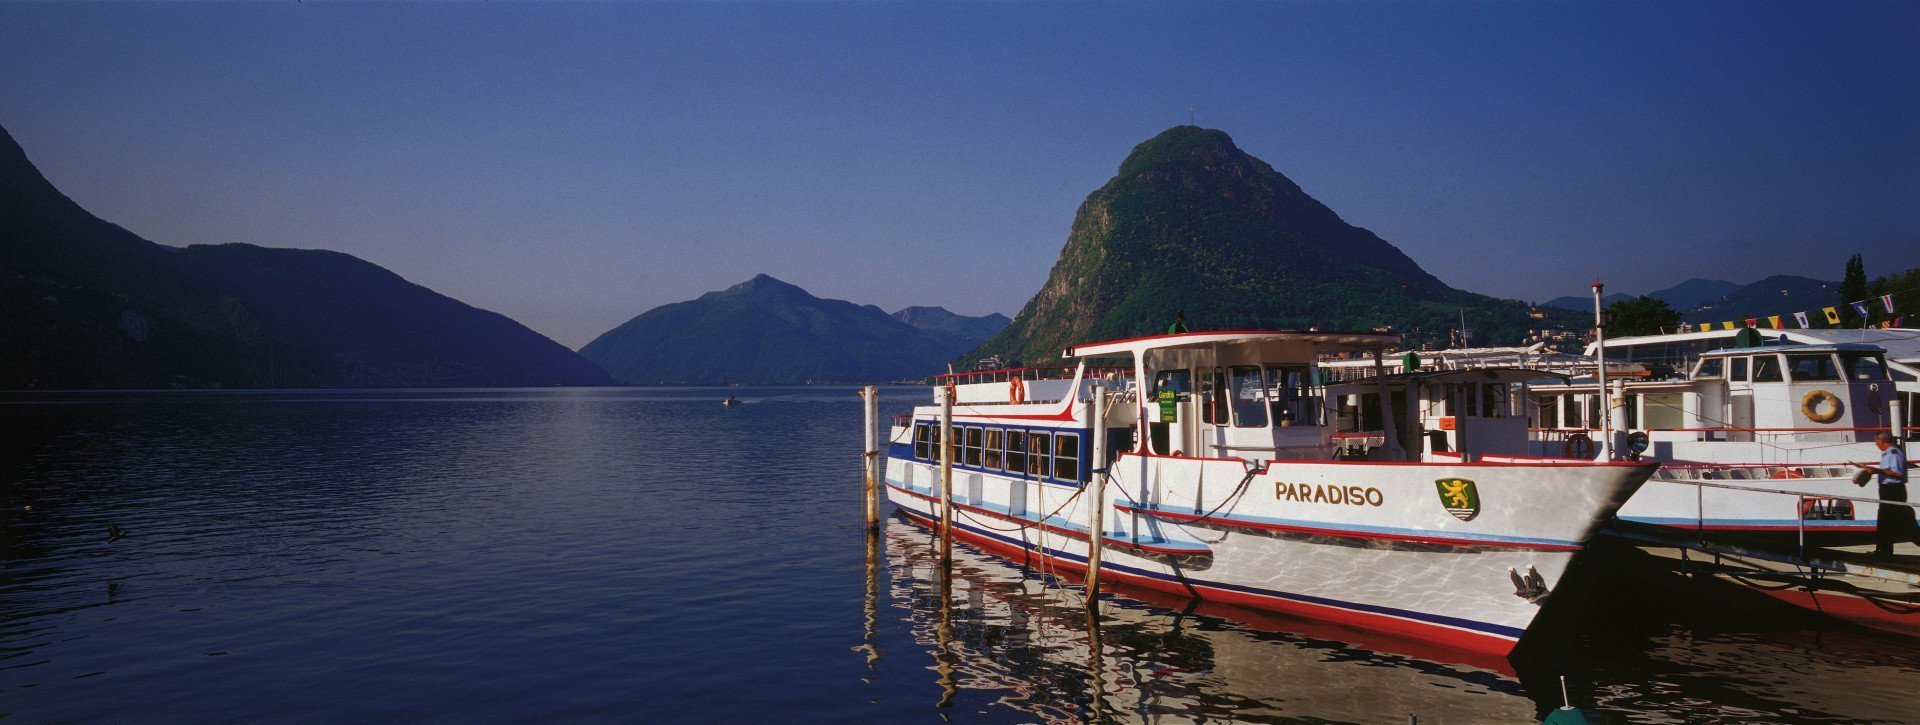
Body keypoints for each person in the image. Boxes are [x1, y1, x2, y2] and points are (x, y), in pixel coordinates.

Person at [1854, 432, 1912, 555]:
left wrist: (1876, 470)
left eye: (1876, 441)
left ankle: (1883, 550)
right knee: (1886, 520)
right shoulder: (1888, 453)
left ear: (1882, 441)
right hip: (1888, 489)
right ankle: (1884, 550)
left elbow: (1898, 473)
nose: (1876, 444)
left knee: (1888, 520)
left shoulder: (1893, 453)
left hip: (1893, 489)